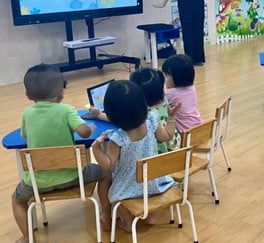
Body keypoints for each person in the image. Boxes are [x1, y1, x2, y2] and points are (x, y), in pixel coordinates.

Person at [12, 64, 105, 242]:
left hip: (38, 184)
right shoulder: (67, 110)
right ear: (61, 92)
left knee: (17, 200)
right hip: (74, 176)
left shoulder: (27, 114)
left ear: (28, 95)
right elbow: (84, 132)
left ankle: (27, 237)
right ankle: (108, 214)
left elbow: (23, 134)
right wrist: (89, 127)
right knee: (106, 172)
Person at [92, 80, 178, 231]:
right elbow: (168, 136)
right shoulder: (151, 121)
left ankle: (128, 221)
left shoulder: (118, 139)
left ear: (112, 114)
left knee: (117, 195)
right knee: (147, 190)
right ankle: (150, 215)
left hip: (128, 186)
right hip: (154, 182)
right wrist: (171, 118)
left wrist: (96, 149)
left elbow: (107, 164)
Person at [130, 68, 179, 153]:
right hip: (176, 147)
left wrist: (99, 115)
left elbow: (120, 117)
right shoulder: (164, 100)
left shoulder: (145, 115)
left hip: (161, 154)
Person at [161, 54, 204, 135]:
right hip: (199, 127)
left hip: (185, 133)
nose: (165, 80)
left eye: (167, 76)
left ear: (177, 77)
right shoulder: (192, 88)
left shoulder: (171, 94)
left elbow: (158, 102)